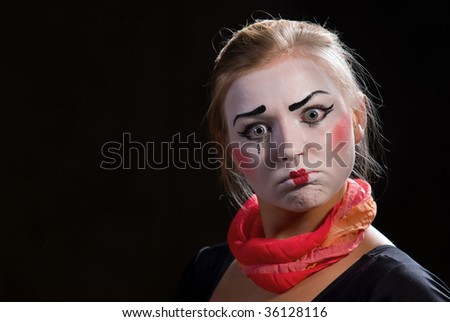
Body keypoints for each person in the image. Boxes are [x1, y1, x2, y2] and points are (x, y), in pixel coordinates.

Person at [175, 18, 450, 301]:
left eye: (312, 114)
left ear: (358, 118)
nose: (290, 149)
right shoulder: (204, 274)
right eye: (257, 130)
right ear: (230, 149)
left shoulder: (403, 294)